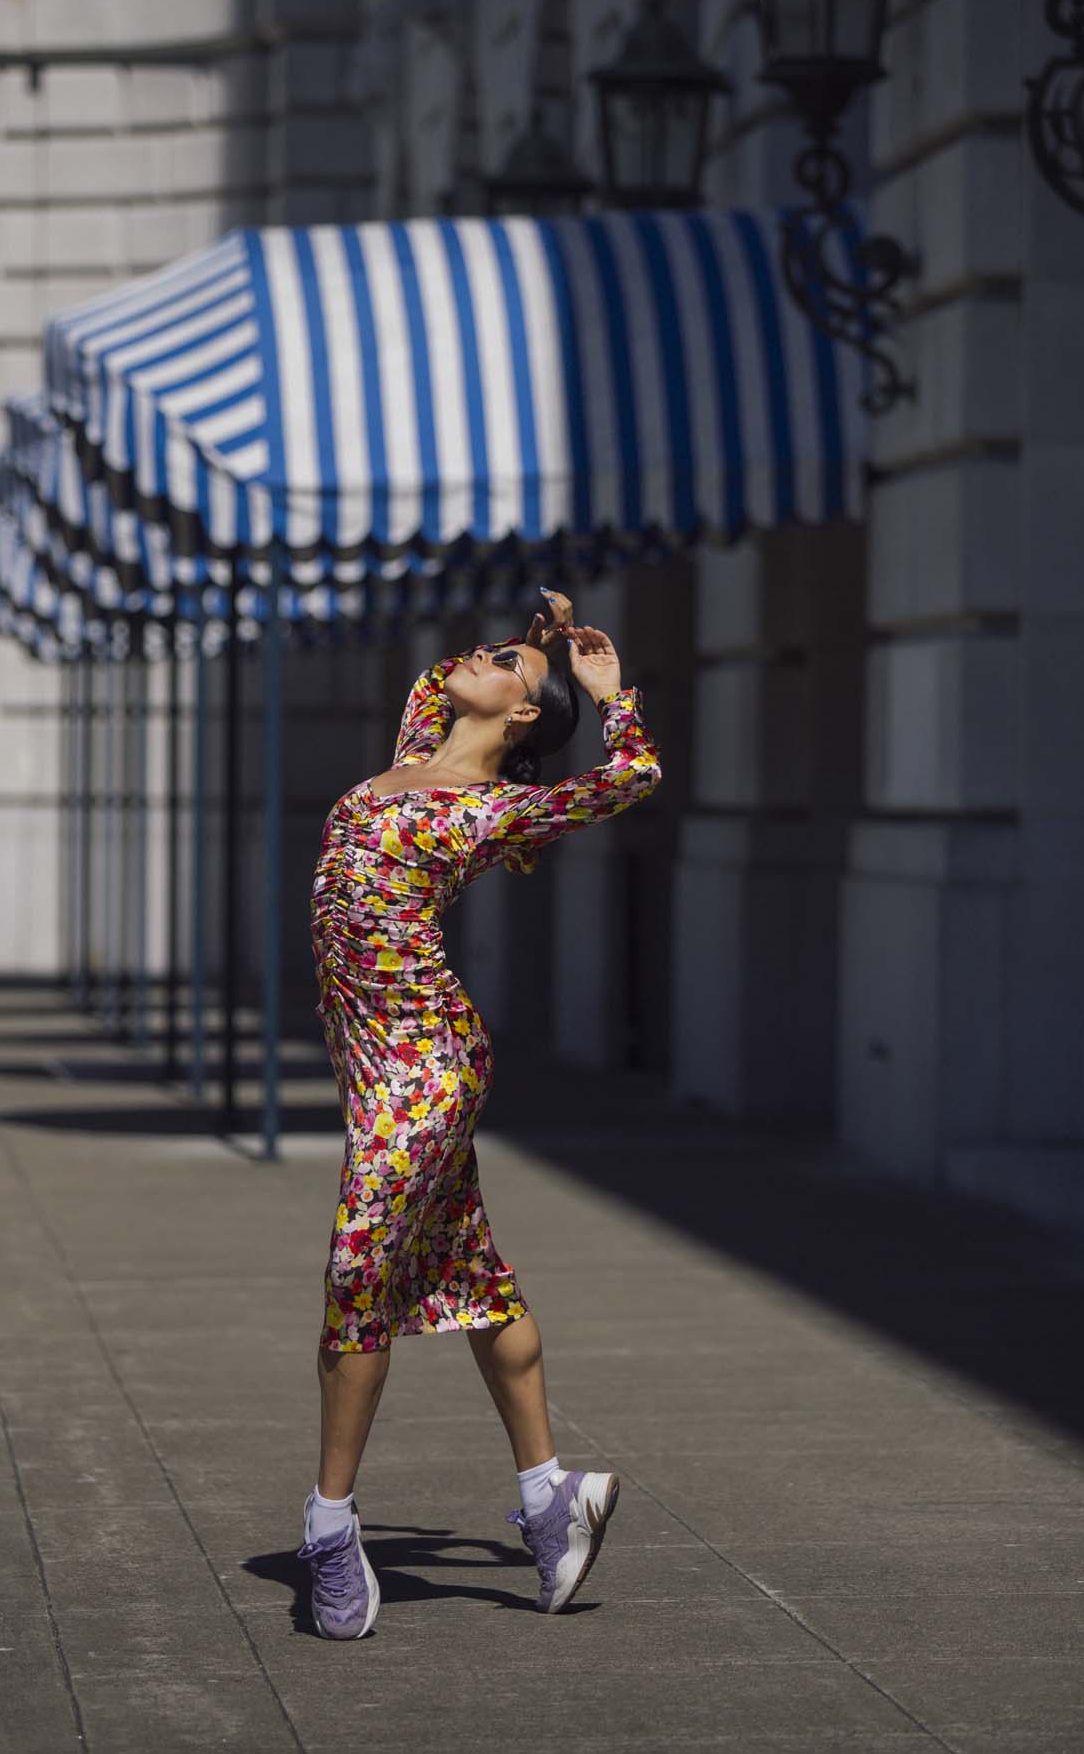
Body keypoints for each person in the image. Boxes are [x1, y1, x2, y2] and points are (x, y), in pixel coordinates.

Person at [297, 587, 662, 1639]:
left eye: (506, 667)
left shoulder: (492, 808)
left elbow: (631, 775)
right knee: (467, 1274)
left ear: (521, 716)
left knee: (358, 1275)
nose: (481, 655)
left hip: (427, 1064)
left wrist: (603, 691)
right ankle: (551, 1498)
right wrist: (532, 643)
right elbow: (431, 680)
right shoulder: (414, 754)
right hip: (371, 1063)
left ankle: (329, 1527)